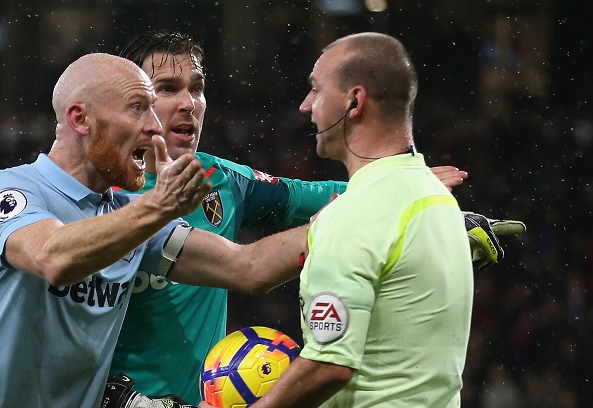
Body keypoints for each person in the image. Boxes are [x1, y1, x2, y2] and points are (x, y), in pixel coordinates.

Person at [108, 30, 472, 405]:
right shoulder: (98, 203)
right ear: (133, 102)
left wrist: (415, 202)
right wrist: (389, 199)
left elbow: (335, 192)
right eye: (168, 89)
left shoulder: (222, 180)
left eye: (197, 88)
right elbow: (249, 268)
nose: (189, 103)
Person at [0, 52, 310, 408]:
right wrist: (158, 206)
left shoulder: (129, 216)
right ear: (80, 119)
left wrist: (345, 220)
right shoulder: (11, 190)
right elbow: (54, 257)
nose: (154, 126)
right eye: (138, 108)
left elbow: (248, 268)